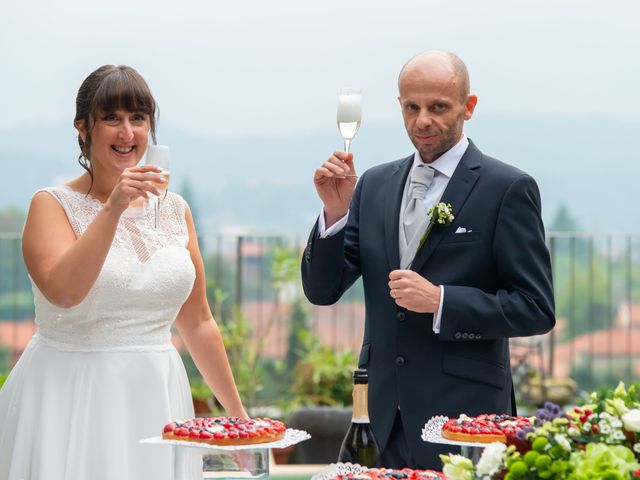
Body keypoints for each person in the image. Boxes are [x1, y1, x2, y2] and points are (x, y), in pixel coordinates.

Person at [301, 51, 555, 469]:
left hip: (466, 423)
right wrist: (334, 214)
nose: (423, 120)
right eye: (411, 107)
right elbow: (322, 291)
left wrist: (441, 301)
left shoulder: (507, 188)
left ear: (468, 107)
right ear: (399, 105)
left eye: (438, 107)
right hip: (379, 421)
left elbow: (536, 309)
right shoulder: (374, 185)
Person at [0, 65, 247, 479]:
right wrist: (113, 206)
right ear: (83, 128)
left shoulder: (175, 209)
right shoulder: (50, 205)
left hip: (156, 393)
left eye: (138, 118)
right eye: (111, 118)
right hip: (72, 395)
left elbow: (199, 320)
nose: (127, 132)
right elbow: (64, 292)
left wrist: (237, 415)